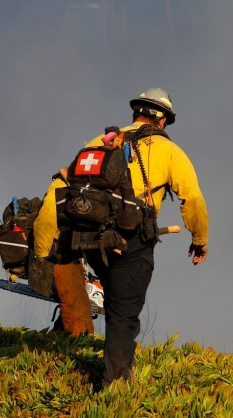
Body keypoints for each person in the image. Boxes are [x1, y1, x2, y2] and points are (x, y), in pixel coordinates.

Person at [32, 88, 210, 387]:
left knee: (113, 298)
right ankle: (114, 387)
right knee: (123, 315)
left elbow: (62, 188)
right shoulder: (169, 151)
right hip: (132, 241)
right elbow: (192, 199)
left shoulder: (99, 144)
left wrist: (43, 247)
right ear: (163, 120)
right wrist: (199, 238)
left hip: (91, 241)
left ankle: (90, 349)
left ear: (136, 113)